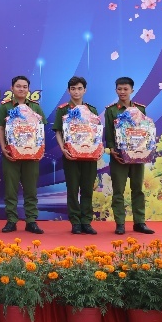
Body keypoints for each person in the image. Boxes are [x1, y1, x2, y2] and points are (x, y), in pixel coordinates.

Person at [0, 75, 47, 234]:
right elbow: (0, 128)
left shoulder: (35, 107)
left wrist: (41, 148)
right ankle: (11, 220)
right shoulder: (5, 107)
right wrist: (3, 147)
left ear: (28, 89)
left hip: (32, 155)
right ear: (12, 88)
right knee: (11, 189)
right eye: (18, 86)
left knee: (31, 189)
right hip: (11, 155)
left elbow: (40, 129)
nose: (21, 89)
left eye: (24, 87)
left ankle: (31, 221)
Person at [104, 76, 155, 235]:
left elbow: (144, 130)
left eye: (125, 89)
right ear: (115, 90)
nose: (122, 92)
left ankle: (139, 222)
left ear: (132, 90)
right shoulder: (111, 110)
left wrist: (145, 149)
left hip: (138, 156)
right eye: (119, 89)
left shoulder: (140, 109)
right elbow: (109, 133)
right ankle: (120, 223)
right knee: (118, 191)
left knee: (137, 189)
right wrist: (112, 149)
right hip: (119, 157)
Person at [53, 76, 99, 235]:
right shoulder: (63, 110)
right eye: (73, 89)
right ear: (68, 91)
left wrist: (98, 149)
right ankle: (75, 222)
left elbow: (96, 132)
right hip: (70, 156)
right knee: (72, 189)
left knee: (87, 189)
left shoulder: (91, 110)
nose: (76, 92)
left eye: (79, 88)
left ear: (85, 90)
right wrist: (63, 149)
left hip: (90, 156)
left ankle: (86, 221)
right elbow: (58, 132)